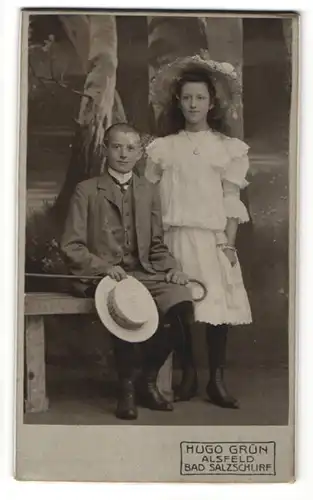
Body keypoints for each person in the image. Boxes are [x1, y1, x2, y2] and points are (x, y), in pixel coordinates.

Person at [61, 123, 195, 420]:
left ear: (140, 153)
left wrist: (173, 269)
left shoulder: (149, 191)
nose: (124, 154)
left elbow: (157, 245)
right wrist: (104, 267)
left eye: (131, 148)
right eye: (117, 146)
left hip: (145, 273)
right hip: (105, 276)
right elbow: (72, 246)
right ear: (105, 149)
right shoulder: (86, 191)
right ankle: (127, 391)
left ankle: (147, 380)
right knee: (125, 309)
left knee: (182, 305)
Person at [145, 54, 252, 409]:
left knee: (216, 308)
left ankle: (216, 380)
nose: (193, 104)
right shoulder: (163, 148)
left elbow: (230, 197)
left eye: (200, 98)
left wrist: (229, 245)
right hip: (174, 239)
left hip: (212, 238)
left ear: (211, 102)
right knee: (182, 309)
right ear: (179, 100)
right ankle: (188, 373)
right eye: (187, 97)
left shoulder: (226, 149)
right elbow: (151, 200)